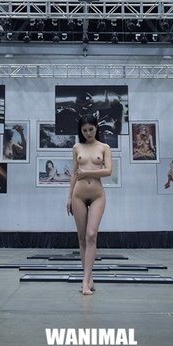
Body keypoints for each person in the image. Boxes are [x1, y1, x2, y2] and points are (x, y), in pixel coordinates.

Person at [66, 115, 113, 296]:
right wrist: (69, 197)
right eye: (84, 130)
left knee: (91, 235)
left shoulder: (104, 147)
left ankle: (84, 282)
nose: (88, 133)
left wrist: (86, 171)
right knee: (82, 238)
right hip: (78, 195)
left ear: (96, 128)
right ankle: (88, 277)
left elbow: (108, 171)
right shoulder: (76, 147)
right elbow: (74, 173)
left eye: (91, 129)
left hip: (97, 195)